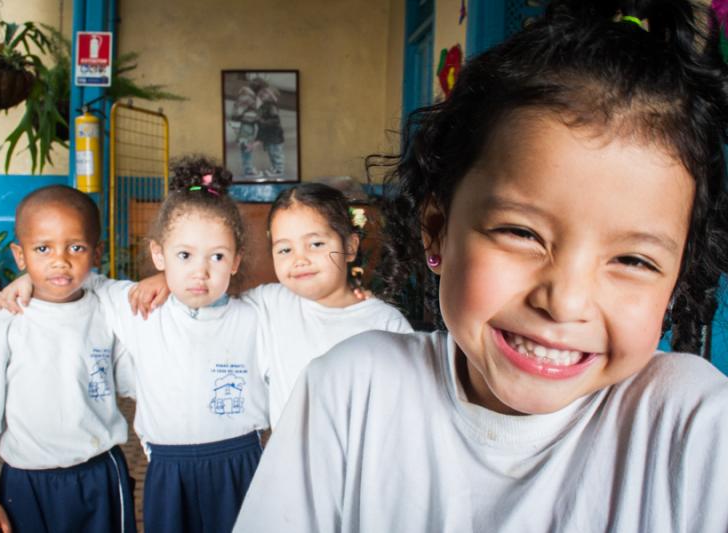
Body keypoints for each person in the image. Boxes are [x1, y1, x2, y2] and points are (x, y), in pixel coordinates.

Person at [233, 1, 728, 531]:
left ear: (677, 278)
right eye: (521, 233)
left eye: (633, 259)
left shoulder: (695, 426)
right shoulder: (352, 389)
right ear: (438, 228)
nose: (565, 301)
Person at [0, 157, 268, 533]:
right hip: (168, 468)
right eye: (183, 255)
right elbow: (77, 277)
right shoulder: (139, 306)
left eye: (216, 256)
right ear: (159, 254)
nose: (200, 271)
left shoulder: (257, 313)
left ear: (236, 260)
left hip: (241, 461)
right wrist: (25, 281)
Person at [130, 183, 413, 428]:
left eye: (315, 244)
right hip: (291, 465)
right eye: (285, 249)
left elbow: (407, 406)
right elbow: (208, 291)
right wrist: (166, 279)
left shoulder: (384, 323)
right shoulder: (271, 303)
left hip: (363, 467)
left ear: (350, 247)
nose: (299, 259)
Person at [0, 185, 136, 533]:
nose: (59, 260)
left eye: (75, 247)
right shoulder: (4, 323)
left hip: (101, 474)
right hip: (27, 482)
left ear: (97, 253)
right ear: (20, 256)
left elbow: (135, 380)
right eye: (43, 248)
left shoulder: (106, 312)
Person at [230, 85, 263, 179]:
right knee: (247, 148)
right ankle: (248, 170)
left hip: (246, 125)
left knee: (246, 147)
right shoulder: (248, 98)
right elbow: (257, 108)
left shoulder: (243, 97)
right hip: (246, 125)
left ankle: (248, 168)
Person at [256, 86, 286, 178]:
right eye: (261, 95)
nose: (262, 96)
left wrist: (262, 121)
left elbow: (275, 120)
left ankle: (279, 169)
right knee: (271, 153)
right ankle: (274, 167)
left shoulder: (271, 106)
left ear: (270, 96)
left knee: (276, 153)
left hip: (274, 135)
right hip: (269, 135)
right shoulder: (264, 106)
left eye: (264, 94)